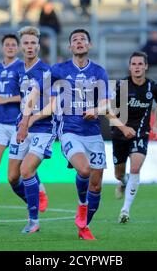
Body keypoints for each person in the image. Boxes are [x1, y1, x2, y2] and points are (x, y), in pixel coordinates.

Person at [0, 33, 49, 218]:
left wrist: (6, 99)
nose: (10, 48)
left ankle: (39, 190)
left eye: (13, 45)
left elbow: (24, 95)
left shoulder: (21, 67)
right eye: (6, 45)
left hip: (17, 121)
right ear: (2, 48)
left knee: (21, 166)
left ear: (18, 48)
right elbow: (1, 91)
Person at [50, 29, 110, 240]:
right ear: (70, 47)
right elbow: (41, 92)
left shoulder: (99, 71)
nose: (79, 42)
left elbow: (105, 102)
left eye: (83, 39)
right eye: (75, 40)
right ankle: (82, 206)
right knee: (84, 170)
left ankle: (84, 227)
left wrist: (97, 110)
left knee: (96, 184)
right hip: (69, 131)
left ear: (89, 45)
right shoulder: (59, 69)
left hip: (93, 134)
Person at [108, 51, 157, 223]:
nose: (137, 67)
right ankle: (123, 182)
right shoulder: (120, 86)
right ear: (129, 67)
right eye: (134, 64)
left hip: (140, 133)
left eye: (140, 64)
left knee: (135, 168)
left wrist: (155, 125)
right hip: (119, 133)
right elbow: (107, 111)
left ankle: (125, 210)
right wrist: (123, 128)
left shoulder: (153, 87)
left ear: (146, 66)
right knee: (119, 174)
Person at [8, 26, 55, 233]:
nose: (29, 47)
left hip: (43, 127)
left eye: (33, 43)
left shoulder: (46, 71)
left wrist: (31, 120)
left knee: (26, 170)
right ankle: (37, 192)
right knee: (12, 177)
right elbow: (21, 99)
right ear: (20, 47)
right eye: (26, 43)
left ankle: (33, 220)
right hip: (23, 124)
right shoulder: (17, 70)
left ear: (38, 46)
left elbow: (53, 104)